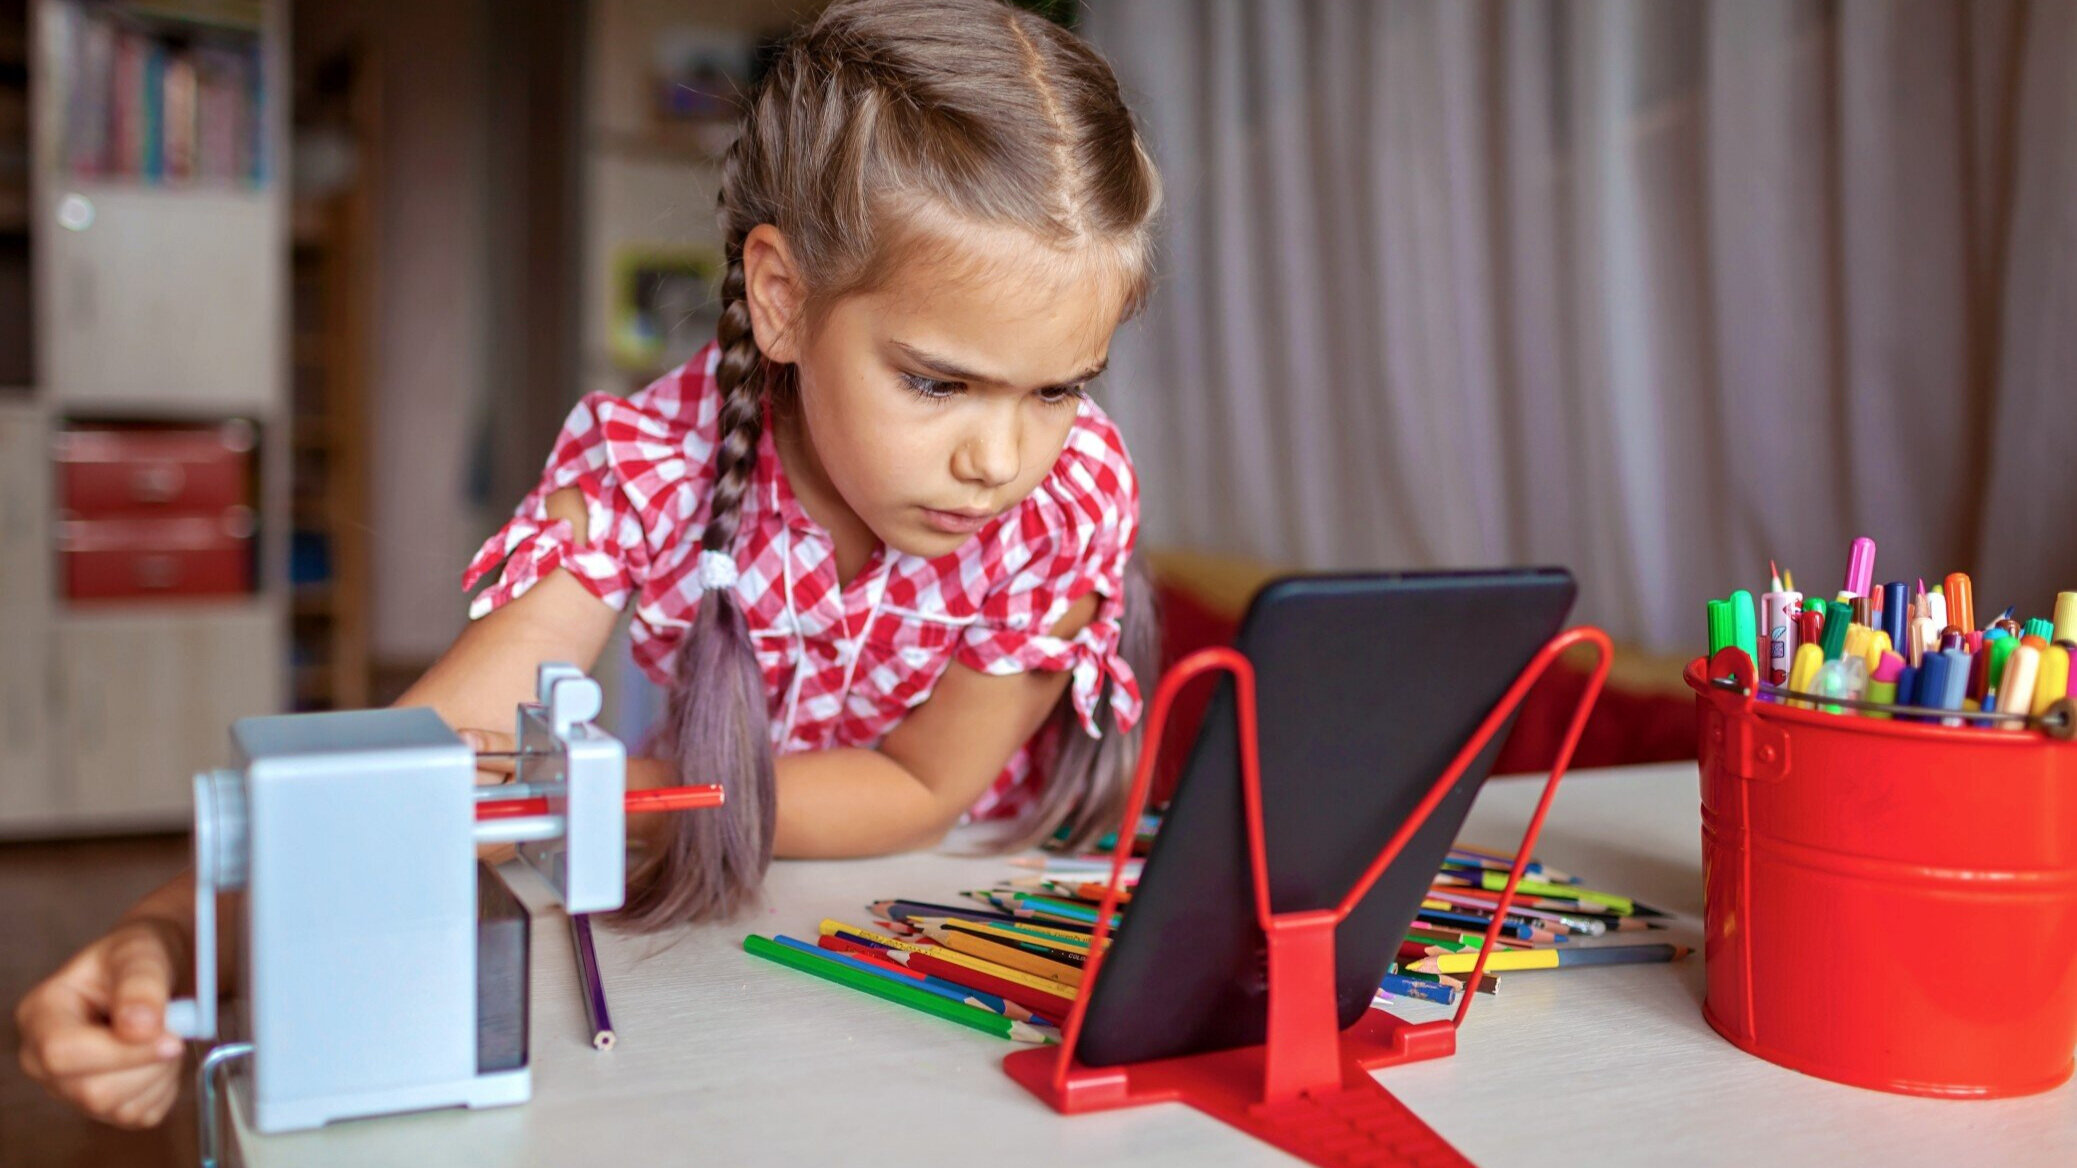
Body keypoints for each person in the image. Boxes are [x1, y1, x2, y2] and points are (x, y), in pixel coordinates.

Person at [15, 0, 1163, 1129]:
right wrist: (167, 939)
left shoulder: (1071, 492)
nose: (999, 458)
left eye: (1059, 386)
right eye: (935, 380)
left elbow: (923, 787)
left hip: (988, 918)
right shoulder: (648, 468)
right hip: (758, 931)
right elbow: (421, 768)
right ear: (782, 298)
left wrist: (631, 806)